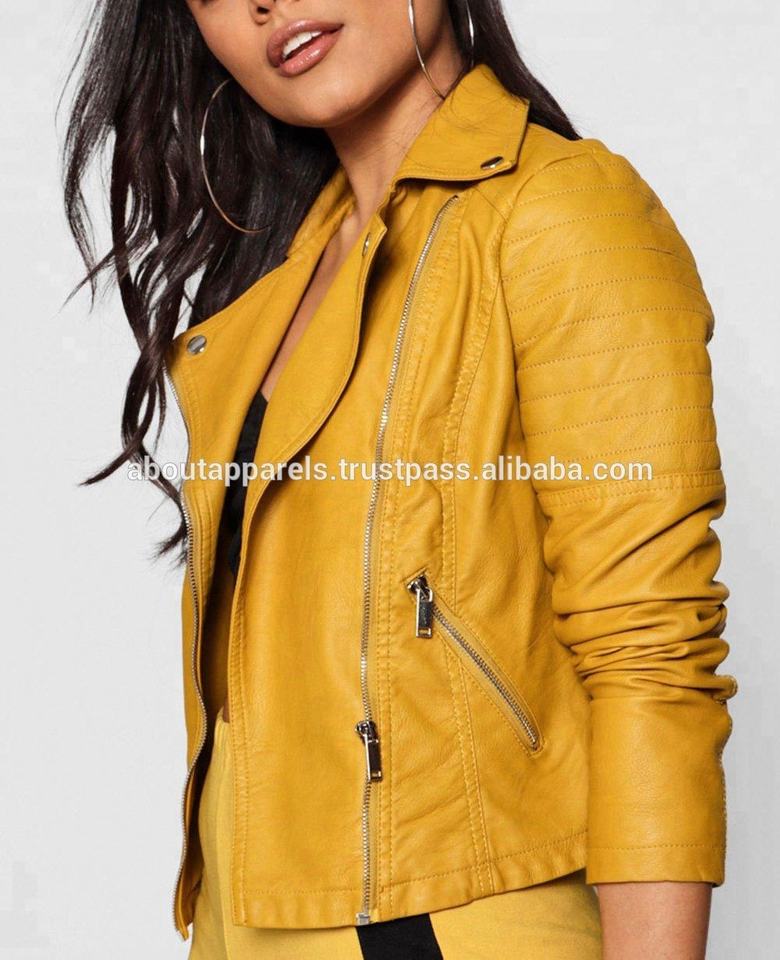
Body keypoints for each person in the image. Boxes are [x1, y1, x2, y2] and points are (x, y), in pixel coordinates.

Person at [62, 1, 738, 957]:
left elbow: (650, 653)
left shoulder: (558, 209)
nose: (263, 4)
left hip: (443, 919)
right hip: (244, 922)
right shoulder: (284, 273)